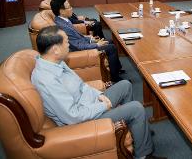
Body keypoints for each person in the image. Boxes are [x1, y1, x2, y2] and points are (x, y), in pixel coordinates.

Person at [31, 26, 163, 159]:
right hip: (83, 120)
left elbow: (82, 86)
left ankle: (137, 131)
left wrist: (99, 95)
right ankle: (143, 155)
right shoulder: (47, 80)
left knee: (125, 85)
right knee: (136, 108)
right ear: (55, 49)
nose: (69, 44)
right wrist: (103, 106)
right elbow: (72, 116)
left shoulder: (56, 62)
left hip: (90, 104)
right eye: (66, 41)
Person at [50, 0, 123, 82]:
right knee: (111, 47)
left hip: (83, 43)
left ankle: (116, 69)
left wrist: (91, 39)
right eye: (69, 7)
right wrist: (96, 45)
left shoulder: (64, 20)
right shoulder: (62, 26)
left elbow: (77, 37)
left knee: (110, 41)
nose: (71, 8)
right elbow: (76, 46)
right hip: (80, 50)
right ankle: (115, 77)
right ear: (61, 11)